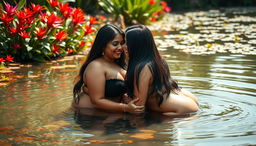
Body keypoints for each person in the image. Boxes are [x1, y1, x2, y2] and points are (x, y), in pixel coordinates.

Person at [124, 24, 199, 115]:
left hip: (179, 112)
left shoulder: (143, 68)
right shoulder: (158, 60)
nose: (123, 46)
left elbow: (139, 106)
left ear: (136, 45)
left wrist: (125, 100)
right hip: (188, 104)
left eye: (127, 43)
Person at [73, 24, 144, 114]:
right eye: (115, 44)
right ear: (103, 45)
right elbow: (96, 100)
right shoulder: (96, 66)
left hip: (107, 115)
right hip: (90, 117)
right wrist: (125, 108)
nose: (120, 48)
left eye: (122, 43)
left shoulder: (118, 63)